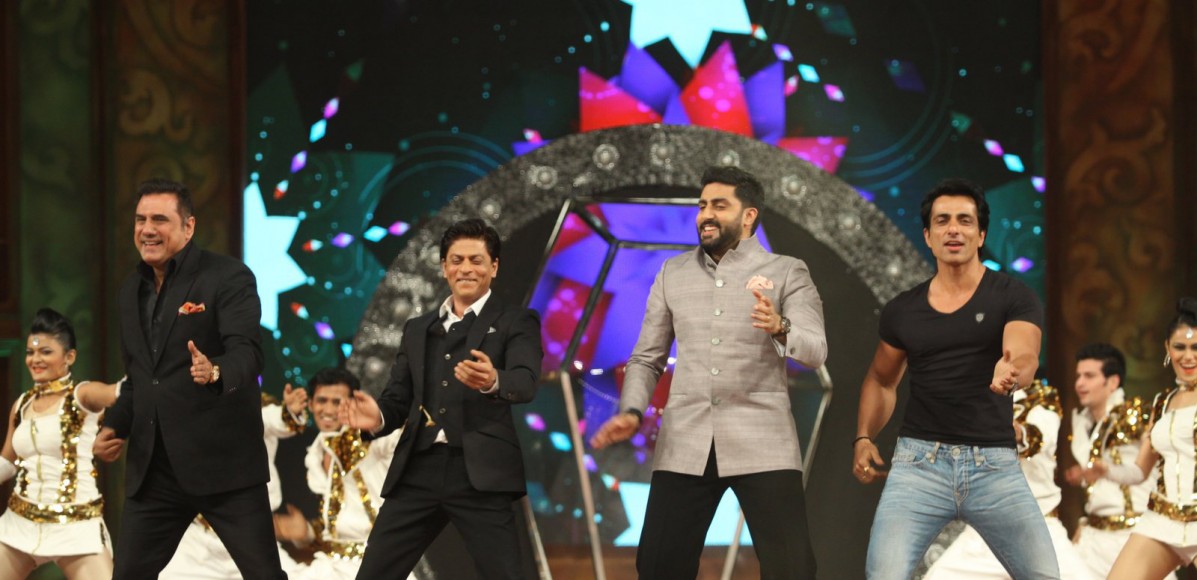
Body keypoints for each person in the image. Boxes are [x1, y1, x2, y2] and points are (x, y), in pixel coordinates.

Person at [590, 165, 827, 578]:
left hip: (763, 438)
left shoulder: (787, 271)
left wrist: (780, 327)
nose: (706, 215)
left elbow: (816, 350)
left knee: (792, 569)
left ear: (749, 215)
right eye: (702, 206)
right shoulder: (673, 272)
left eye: (719, 205)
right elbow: (646, 358)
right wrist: (631, 411)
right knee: (658, 567)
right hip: (686, 439)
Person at [852, 178, 1060, 579]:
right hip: (919, 465)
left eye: (965, 221)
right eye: (942, 220)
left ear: (981, 235)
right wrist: (863, 437)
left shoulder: (1013, 296)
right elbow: (881, 380)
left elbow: (1025, 354)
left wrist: (1011, 371)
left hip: (994, 465)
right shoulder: (903, 310)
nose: (953, 229)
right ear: (928, 237)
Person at [93, 178, 285, 578]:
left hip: (224, 465)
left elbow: (248, 354)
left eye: (160, 219)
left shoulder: (227, 276)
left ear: (189, 226)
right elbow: (141, 378)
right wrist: (116, 425)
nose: (147, 229)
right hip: (156, 472)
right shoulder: (130, 291)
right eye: (141, 219)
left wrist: (215, 371)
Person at [339, 218, 543, 579]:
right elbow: (398, 399)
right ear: (444, 267)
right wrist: (378, 418)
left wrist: (493, 380)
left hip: (480, 472)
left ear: (494, 267)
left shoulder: (516, 321)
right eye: (457, 260)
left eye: (476, 260)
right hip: (418, 468)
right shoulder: (418, 329)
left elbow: (525, 382)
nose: (466, 269)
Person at [924, 380, 1092, 580]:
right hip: (985, 532)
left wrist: (1013, 431)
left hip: (1039, 529)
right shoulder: (974, 396)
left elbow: (1038, 437)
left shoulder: (1041, 398)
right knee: (939, 575)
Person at [0, 308, 121, 579]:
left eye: (45, 352)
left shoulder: (83, 395)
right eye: (30, 352)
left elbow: (125, 393)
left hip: (76, 526)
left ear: (70, 357)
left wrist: (117, 430)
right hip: (20, 523)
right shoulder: (21, 405)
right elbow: (7, 462)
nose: (35, 359)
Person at [1091, 298, 1197, 579]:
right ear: (1167, 348)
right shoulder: (1163, 402)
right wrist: (1106, 470)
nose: (1188, 356)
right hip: (1163, 519)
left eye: (1196, 347)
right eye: (1180, 347)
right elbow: (1140, 471)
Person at [159, 385, 309, 579]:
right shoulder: (190, 410)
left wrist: (289, 412)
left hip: (251, 540)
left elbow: (276, 420)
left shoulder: (256, 409)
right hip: (200, 543)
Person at [274, 368, 410, 580]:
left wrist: (379, 420)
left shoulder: (372, 439)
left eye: (337, 402)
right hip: (333, 566)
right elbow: (340, 524)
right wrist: (306, 532)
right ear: (311, 405)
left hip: (376, 565)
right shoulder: (316, 454)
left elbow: (404, 436)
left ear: (352, 404)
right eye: (322, 400)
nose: (328, 409)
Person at [1063, 343, 1166, 579]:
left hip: (1133, 535)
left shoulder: (1134, 415)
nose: (1080, 383)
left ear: (1112, 382)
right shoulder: (1082, 423)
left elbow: (1160, 453)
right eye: (1078, 376)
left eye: (1089, 376)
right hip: (1093, 539)